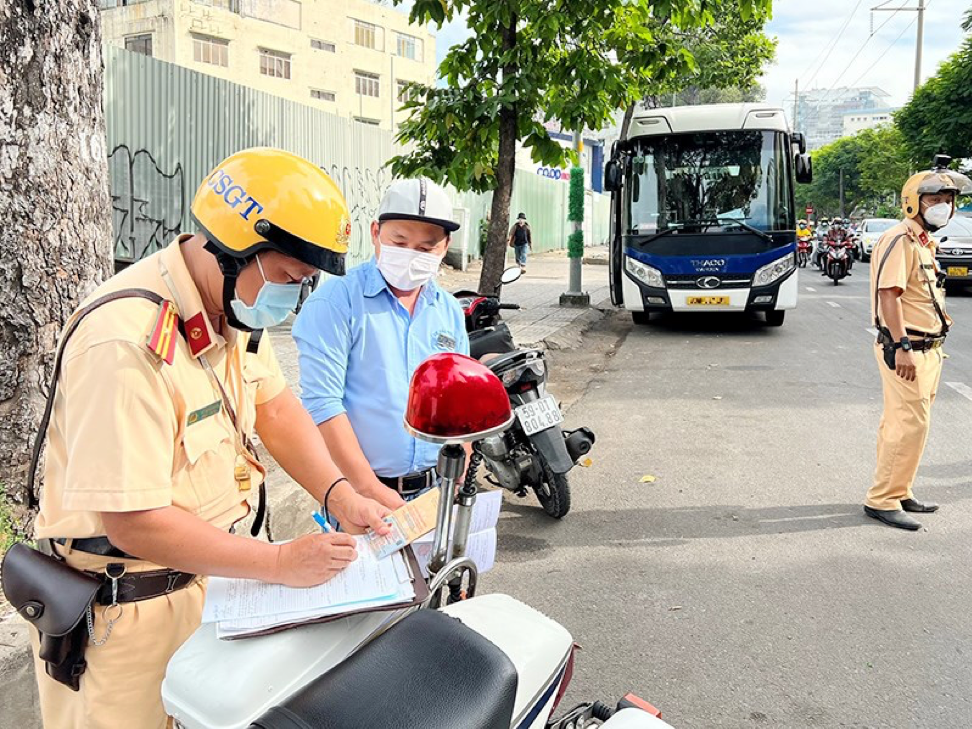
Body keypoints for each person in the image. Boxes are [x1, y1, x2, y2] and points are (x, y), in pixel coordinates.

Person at [26, 148, 393, 728]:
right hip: (125, 622)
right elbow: (134, 521)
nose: (291, 299)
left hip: (213, 592)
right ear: (233, 250)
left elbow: (275, 408)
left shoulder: (231, 310)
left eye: (304, 283)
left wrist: (339, 493)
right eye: (289, 279)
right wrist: (279, 562)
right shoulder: (124, 345)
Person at [292, 178, 470, 512]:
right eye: (399, 241)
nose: (410, 256)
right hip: (363, 499)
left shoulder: (447, 310)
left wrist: (462, 461)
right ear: (376, 233)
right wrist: (368, 488)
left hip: (438, 491)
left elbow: (458, 396)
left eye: (425, 248)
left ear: (444, 247)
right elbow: (323, 405)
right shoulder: (336, 302)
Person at [865, 159, 971, 530]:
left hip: (929, 349)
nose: (943, 204)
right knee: (908, 425)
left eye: (948, 198)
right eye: (934, 198)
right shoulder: (900, 239)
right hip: (907, 349)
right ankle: (882, 499)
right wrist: (903, 346)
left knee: (907, 424)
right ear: (913, 202)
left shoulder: (923, 240)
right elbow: (889, 296)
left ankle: (899, 489)